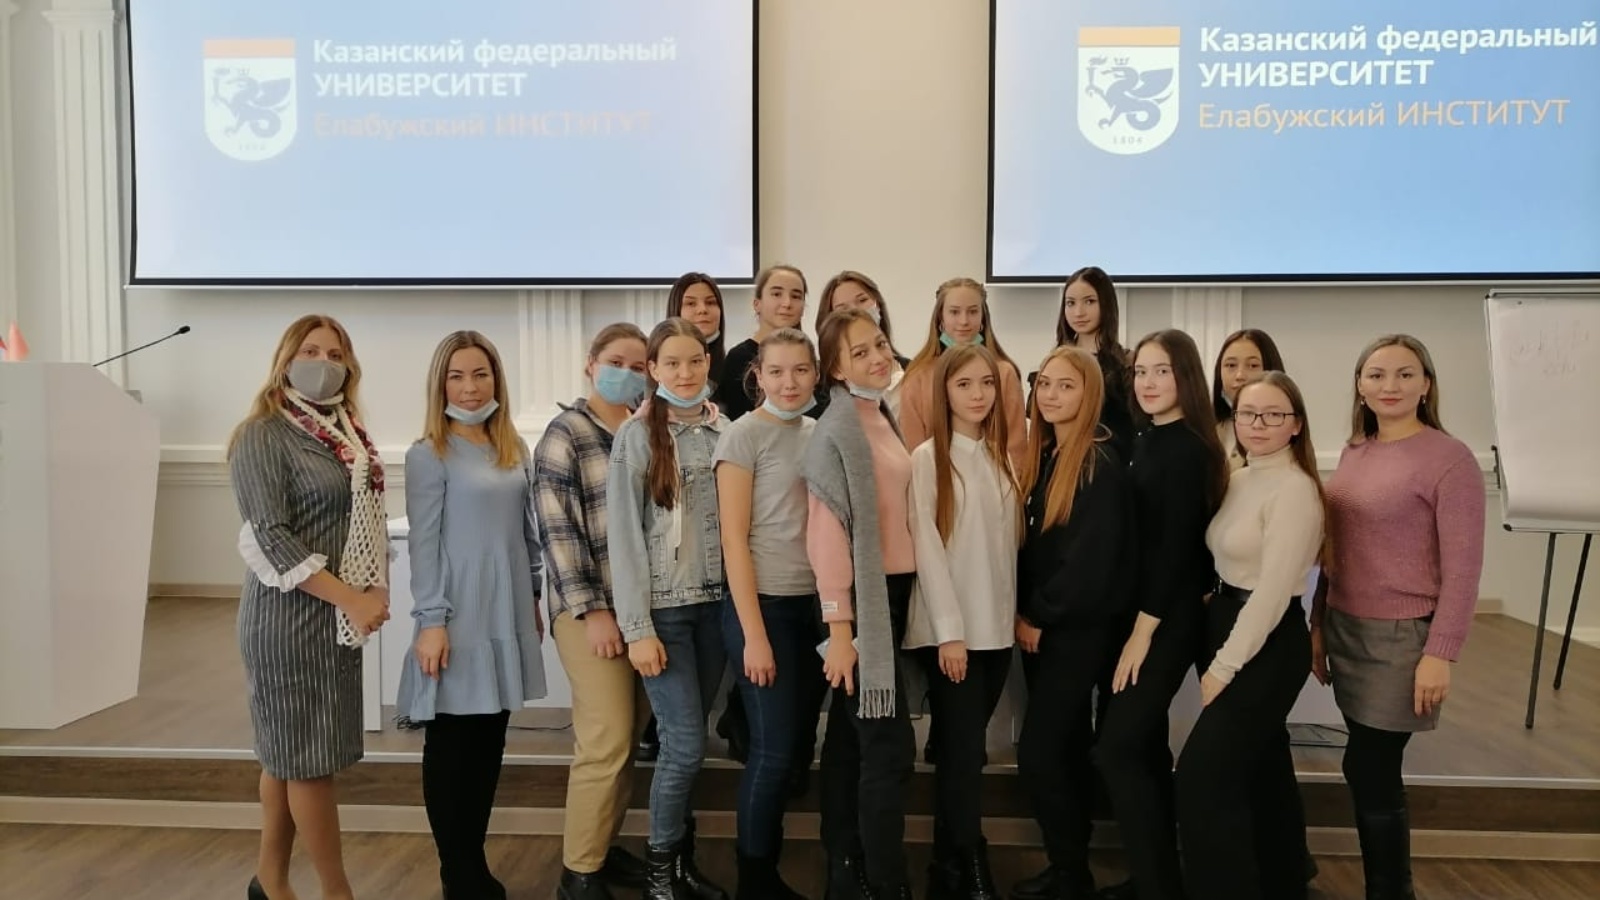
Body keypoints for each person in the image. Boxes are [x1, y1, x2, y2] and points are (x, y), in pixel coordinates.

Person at [1313, 334, 1485, 900]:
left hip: (1403, 638)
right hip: (1346, 627)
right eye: (1377, 374)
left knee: (1371, 766)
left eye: (1405, 374)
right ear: (1360, 386)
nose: (1390, 385)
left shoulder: (1450, 458)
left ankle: (1392, 891)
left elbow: (1463, 568)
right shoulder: (1356, 451)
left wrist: (1440, 653)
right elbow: (1334, 548)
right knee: (1367, 767)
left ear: (1426, 385)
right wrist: (1317, 625)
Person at [228, 314, 390, 900]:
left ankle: (269, 880)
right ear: (285, 361)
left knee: (288, 758)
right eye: (311, 351)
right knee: (309, 764)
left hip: (333, 618)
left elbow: (361, 525)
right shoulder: (262, 434)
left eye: (335, 354)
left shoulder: (345, 433)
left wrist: (374, 590)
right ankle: (336, 892)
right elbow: (271, 536)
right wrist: (351, 598)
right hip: (288, 622)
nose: (324, 363)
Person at [395, 331, 548, 899]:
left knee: (488, 743)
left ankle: (473, 860)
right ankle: (456, 869)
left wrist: (533, 596)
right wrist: (431, 620)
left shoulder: (513, 448)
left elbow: (527, 533)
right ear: (440, 385)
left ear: (495, 379)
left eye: (480, 374)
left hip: (506, 610)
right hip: (457, 616)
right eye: (456, 376)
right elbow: (424, 545)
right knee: (453, 748)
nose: (469, 387)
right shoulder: (428, 454)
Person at [1175, 372, 1324, 900]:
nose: (1257, 424)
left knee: (1201, 778)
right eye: (1247, 413)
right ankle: (1284, 880)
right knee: (1262, 769)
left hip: (1265, 642)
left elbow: (1273, 593)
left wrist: (1223, 668)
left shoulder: (1295, 490)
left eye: (1273, 415)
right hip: (1226, 623)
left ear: (1296, 425)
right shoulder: (1239, 477)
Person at [1093, 329, 1229, 900]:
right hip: (1137, 613)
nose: (1147, 383)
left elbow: (1176, 551)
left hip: (1165, 619)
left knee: (1118, 746)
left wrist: (1142, 633)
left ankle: (1159, 882)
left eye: (1162, 371)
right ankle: (1155, 879)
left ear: (1186, 377)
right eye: (1141, 372)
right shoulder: (1148, 436)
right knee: (1143, 746)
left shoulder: (1188, 448)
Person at [609, 318, 732, 900]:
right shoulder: (635, 438)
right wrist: (637, 629)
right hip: (666, 613)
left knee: (693, 743)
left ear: (708, 364)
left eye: (696, 361)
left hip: (716, 608)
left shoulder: (725, 431)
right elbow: (625, 538)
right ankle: (659, 871)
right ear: (653, 370)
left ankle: (683, 864)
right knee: (682, 745)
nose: (686, 373)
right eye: (673, 363)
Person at [534, 323, 653, 900]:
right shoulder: (567, 433)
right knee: (604, 739)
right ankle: (578, 873)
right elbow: (557, 529)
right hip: (591, 612)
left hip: (642, 614)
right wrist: (592, 611)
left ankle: (601, 851)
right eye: (615, 361)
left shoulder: (643, 431)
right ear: (591, 364)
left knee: (626, 738)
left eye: (638, 365)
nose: (626, 373)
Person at [1012, 346, 1135, 900]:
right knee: (1064, 747)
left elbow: (1088, 563)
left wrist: (1039, 614)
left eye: (1067, 386)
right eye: (1045, 385)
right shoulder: (1048, 456)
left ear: (1091, 395)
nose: (1052, 395)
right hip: (1046, 627)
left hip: (1073, 631)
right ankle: (1071, 867)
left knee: (1040, 752)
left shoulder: (1097, 464)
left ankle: (1069, 868)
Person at [806, 307, 919, 900]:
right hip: (856, 608)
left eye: (880, 344)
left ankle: (849, 875)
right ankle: (886, 884)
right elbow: (826, 536)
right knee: (888, 749)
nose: (878, 357)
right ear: (834, 368)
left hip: (889, 598)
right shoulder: (838, 429)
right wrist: (840, 630)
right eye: (860, 352)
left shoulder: (880, 414)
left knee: (854, 746)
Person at [903, 344, 1022, 899]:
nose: (978, 394)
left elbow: (1004, 552)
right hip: (953, 634)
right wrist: (949, 632)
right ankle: (971, 862)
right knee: (963, 755)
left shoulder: (999, 457)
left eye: (987, 384)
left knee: (964, 751)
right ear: (943, 392)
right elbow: (927, 549)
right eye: (964, 384)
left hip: (996, 630)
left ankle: (946, 865)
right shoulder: (928, 458)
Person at [716, 328, 825, 899]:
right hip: (763, 611)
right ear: (758, 375)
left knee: (796, 749)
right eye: (777, 371)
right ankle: (755, 880)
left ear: (816, 374)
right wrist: (754, 635)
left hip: (815, 610)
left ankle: (770, 870)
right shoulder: (742, 436)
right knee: (773, 751)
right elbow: (733, 541)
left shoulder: (819, 433)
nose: (789, 382)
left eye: (800, 370)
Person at [898, 278, 1027, 468]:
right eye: (954, 312)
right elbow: (913, 450)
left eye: (973, 312)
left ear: (983, 318)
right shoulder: (917, 377)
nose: (964, 321)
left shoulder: (1004, 373)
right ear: (940, 318)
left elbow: (1016, 449)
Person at [1029, 267, 1135, 461]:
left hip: (1108, 463)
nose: (1078, 312)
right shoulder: (1054, 361)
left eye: (1089, 301)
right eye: (1070, 303)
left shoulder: (1126, 364)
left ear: (1106, 304)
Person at [716, 264, 808, 420]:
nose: (787, 303)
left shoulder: (808, 357)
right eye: (777, 294)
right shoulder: (738, 358)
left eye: (796, 296)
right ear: (757, 304)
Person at [816, 270, 910, 419]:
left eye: (862, 300)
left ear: (878, 305)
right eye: (843, 309)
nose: (856, 311)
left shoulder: (912, 371)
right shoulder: (822, 392)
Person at [1210, 329, 1287, 470]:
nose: (1239, 375)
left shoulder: (1283, 428)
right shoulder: (1207, 428)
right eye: (1231, 365)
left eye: (1252, 366)